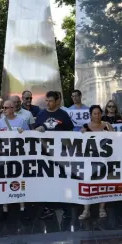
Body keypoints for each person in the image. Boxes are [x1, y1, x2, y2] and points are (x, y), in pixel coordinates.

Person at [33, 91, 75, 220]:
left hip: (61, 154)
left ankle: (65, 207)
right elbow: (34, 131)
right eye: (46, 100)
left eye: (50, 101)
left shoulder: (63, 115)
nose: (48, 103)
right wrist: (37, 129)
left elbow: (71, 132)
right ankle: (48, 207)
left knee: (62, 179)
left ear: (57, 101)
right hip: (45, 154)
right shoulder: (41, 114)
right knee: (47, 179)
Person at [78, 105, 113, 220]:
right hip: (89, 161)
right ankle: (86, 209)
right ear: (91, 115)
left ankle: (101, 208)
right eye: (94, 113)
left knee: (102, 184)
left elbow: (116, 139)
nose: (97, 116)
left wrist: (111, 130)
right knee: (87, 184)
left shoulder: (107, 126)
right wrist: (81, 133)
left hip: (103, 161)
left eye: (99, 113)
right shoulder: (85, 127)